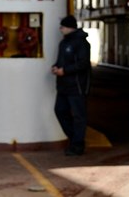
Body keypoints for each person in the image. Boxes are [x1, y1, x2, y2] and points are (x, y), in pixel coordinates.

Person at [51, 15, 91, 156]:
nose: (60, 29)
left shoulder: (81, 43)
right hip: (63, 86)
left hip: (76, 86)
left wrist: (65, 70)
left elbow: (83, 63)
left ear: (69, 27)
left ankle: (77, 145)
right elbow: (61, 60)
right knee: (60, 111)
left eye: (62, 27)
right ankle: (75, 139)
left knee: (79, 116)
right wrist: (56, 67)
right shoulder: (64, 43)